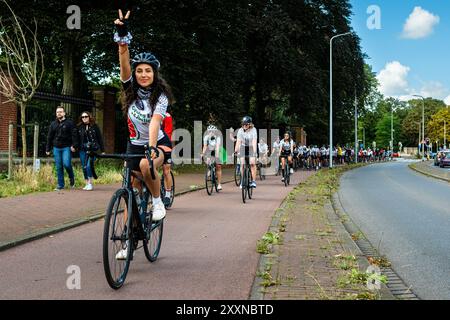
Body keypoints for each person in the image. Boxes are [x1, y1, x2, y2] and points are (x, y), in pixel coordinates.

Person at [114, 9, 174, 224]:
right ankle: (127, 239)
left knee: (146, 166)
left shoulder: (161, 96)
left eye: (148, 71)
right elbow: (124, 64)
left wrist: (149, 148)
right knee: (131, 190)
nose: (143, 75)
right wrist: (122, 38)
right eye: (139, 71)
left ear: (154, 73)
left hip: (155, 142)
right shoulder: (130, 90)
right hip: (134, 144)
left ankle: (158, 201)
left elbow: (155, 123)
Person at [45, 106, 77, 191]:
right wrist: (48, 148)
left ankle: (71, 177)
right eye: (57, 112)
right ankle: (60, 185)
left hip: (66, 147)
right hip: (56, 148)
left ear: (64, 113)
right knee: (59, 166)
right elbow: (49, 137)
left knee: (66, 164)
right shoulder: (53, 124)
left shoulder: (69, 123)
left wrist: (74, 145)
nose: (58, 113)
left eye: (60, 112)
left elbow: (74, 135)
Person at [74, 111, 104, 191]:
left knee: (88, 166)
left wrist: (102, 150)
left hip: (93, 149)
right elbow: (76, 139)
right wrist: (74, 146)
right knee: (84, 166)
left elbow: (100, 138)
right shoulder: (79, 127)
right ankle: (86, 183)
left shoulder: (94, 126)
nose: (84, 118)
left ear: (89, 117)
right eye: (82, 117)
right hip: (83, 149)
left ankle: (90, 183)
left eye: (86, 116)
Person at [235, 116, 258, 188]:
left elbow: (254, 142)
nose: (244, 126)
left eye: (246, 124)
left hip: (251, 147)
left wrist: (254, 152)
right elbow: (238, 142)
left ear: (250, 124)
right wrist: (236, 151)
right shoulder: (240, 131)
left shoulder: (254, 130)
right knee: (242, 163)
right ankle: (242, 180)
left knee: (252, 163)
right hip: (243, 147)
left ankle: (253, 181)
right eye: (243, 124)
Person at [201, 125, 225, 190]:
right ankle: (209, 168)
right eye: (209, 131)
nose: (211, 133)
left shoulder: (218, 138)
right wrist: (203, 154)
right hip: (209, 149)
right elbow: (205, 146)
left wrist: (217, 156)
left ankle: (219, 184)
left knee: (218, 166)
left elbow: (217, 147)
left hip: (217, 149)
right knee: (208, 159)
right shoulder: (206, 137)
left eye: (212, 131)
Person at [161, 108, 174, 206]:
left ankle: (168, 194)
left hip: (164, 143)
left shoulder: (167, 116)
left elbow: (168, 132)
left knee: (166, 171)